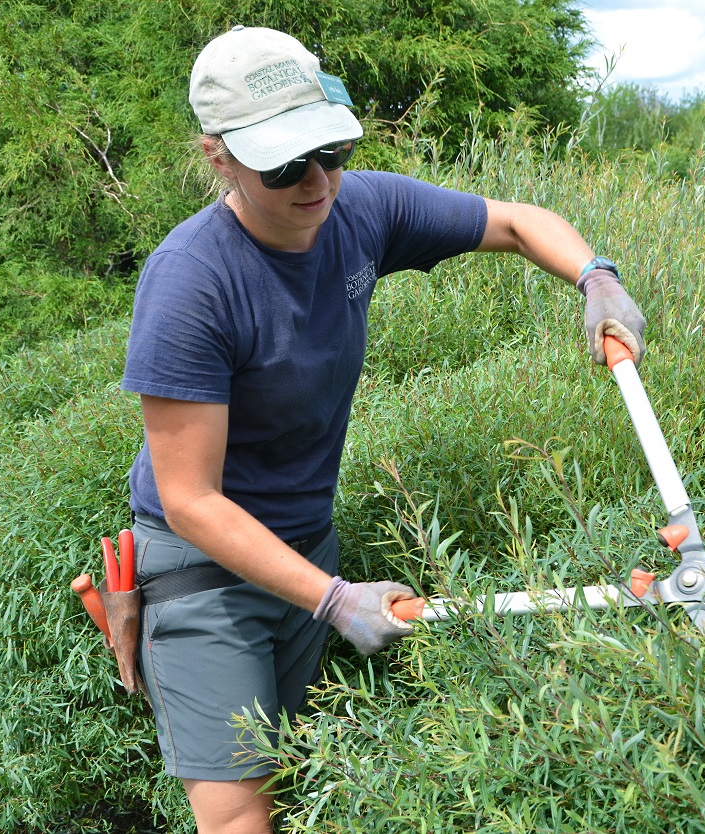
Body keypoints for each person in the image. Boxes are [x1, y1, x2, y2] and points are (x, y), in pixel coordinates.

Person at [121, 25, 646, 834]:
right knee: (237, 814)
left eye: (328, 150)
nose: (317, 181)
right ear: (218, 156)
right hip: (207, 573)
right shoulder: (192, 282)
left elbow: (513, 221)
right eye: (284, 163)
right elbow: (190, 498)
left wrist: (596, 277)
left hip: (307, 547)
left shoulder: (359, 209)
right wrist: (333, 600)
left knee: (295, 772)